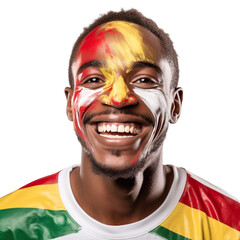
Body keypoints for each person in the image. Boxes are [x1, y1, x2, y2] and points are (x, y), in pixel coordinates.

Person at [0, 8, 239, 240]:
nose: (118, 98)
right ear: (70, 104)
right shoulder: (9, 225)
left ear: (174, 105)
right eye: (94, 79)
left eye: (144, 79)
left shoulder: (229, 227)